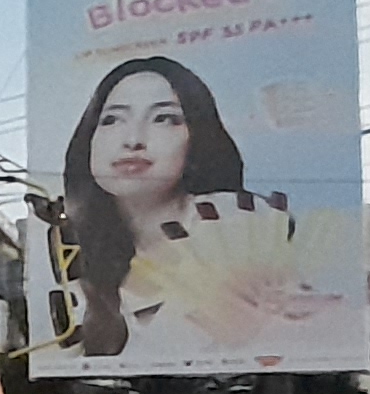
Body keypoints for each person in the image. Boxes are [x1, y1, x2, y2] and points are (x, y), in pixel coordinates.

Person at [59, 56, 247, 355]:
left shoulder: (241, 226)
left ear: (197, 135)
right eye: (112, 120)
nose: (133, 140)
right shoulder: (69, 257)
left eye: (164, 119)